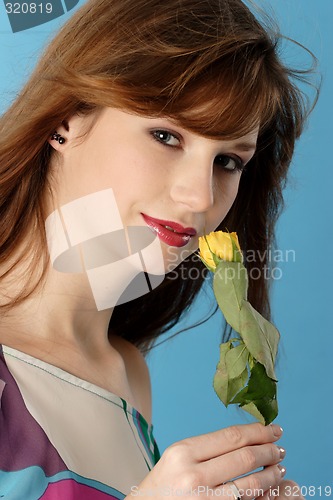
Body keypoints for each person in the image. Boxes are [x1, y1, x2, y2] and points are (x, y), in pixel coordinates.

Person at [0, 0, 316, 498]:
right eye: (166, 135)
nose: (201, 196)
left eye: (229, 161)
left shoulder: (127, 374)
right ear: (66, 118)